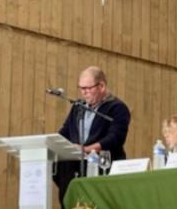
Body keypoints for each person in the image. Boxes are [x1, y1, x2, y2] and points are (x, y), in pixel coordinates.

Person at [54, 66, 131, 201]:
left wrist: (87, 150)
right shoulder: (78, 107)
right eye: (81, 88)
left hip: (102, 167)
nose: (84, 93)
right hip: (74, 169)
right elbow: (66, 131)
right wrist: (52, 144)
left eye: (88, 88)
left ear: (101, 86)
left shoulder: (117, 108)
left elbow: (115, 138)